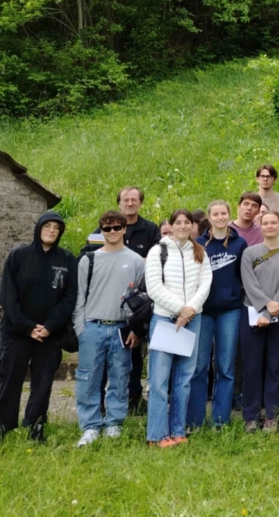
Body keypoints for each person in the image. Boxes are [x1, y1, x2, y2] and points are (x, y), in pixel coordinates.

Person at [0, 211, 77, 443]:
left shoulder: (66, 259)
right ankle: (4, 426)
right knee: (9, 380)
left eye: (57, 228)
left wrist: (50, 326)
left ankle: (35, 427)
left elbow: (69, 297)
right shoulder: (18, 256)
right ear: (38, 228)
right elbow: (8, 296)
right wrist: (27, 326)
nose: (52, 231)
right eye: (47, 226)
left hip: (49, 334)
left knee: (42, 384)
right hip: (16, 332)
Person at [74, 210, 145, 446]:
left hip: (121, 328)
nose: (112, 232)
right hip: (92, 326)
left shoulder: (136, 260)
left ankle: (114, 422)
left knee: (120, 376)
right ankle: (90, 426)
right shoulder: (88, 260)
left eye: (117, 227)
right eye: (107, 228)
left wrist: (136, 329)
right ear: (101, 231)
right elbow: (79, 297)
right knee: (88, 378)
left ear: (124, 229)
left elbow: (141, 299)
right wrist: (80, 328)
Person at [145, 209, 212, 447]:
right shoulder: (158, 251)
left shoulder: (200, 251)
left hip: (193, 319)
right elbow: (154, 287)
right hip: (165, 320)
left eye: (187, 222)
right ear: (171, 226)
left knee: (184, 378)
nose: (183, 226)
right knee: (159, 379)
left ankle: (178, 430)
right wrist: (180, 308)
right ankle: (157, 435)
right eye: (178, 222)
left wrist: (190, 309)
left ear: (193, 226)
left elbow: (205, 283)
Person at [188, 200, 248, 429]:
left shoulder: (239, 243)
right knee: (199, 367)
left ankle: (221, 420)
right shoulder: (198, 244)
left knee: (226, 368)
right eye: (216, 214)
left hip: (229, 312)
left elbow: (243, 277)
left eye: (224, 213)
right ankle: (195, 420)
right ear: (209, 217)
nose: (220, 217)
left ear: (229, 215)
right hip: (202, 312)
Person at [240, 212, 279, 432]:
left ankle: (272, 415)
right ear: (260, 226)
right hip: (252, 313)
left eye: (274, 222)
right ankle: (251, 416)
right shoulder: (250, 253)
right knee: (252, 366)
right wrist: (265, 306)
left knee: (276, 365)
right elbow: (249, 283)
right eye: (266, 223)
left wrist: (272, 310)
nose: (270, 226)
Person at [111, 186, 162, 413]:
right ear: (119, 203)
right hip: (112, 298)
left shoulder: (150, 229)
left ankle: (134, 399)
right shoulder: (109, 226)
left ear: (140, 203)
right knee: (113, 353)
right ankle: (112, 399)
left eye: (134, 200)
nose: (130, 203)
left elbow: (159, 259)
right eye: (126, 200)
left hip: (140, 302)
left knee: (135, 350)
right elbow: (90, 253)